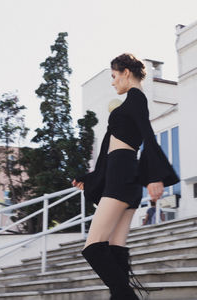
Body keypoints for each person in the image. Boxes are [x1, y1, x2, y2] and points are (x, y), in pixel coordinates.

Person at [72, 53, 180, 300]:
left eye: (113, 76)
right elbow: (112, 150)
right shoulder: (134, 101)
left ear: (126, 73)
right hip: (125, 177)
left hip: (121, 178)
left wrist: (155, 176)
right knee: (115, 249)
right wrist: (91, 178)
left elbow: (148, 135)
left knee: (93, 248)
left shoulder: (136, 99)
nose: (112, 82)